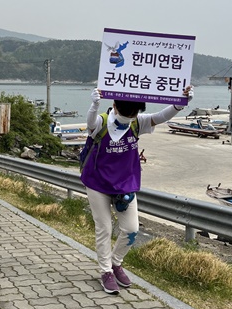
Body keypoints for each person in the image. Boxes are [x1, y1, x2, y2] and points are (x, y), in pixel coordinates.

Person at [81, 86, 193, 295]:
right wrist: (95, 103)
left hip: (124, 184)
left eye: (133, 114)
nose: (129, 118)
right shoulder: (102, 123)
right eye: (126, 114)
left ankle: (116, 263)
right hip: (97, 183)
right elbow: (90, 124)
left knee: (131, 229)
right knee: (104, 228)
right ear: (114, 106)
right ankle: (105, 271)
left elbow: (159, 117)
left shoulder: (136, 123)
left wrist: (180, 103)